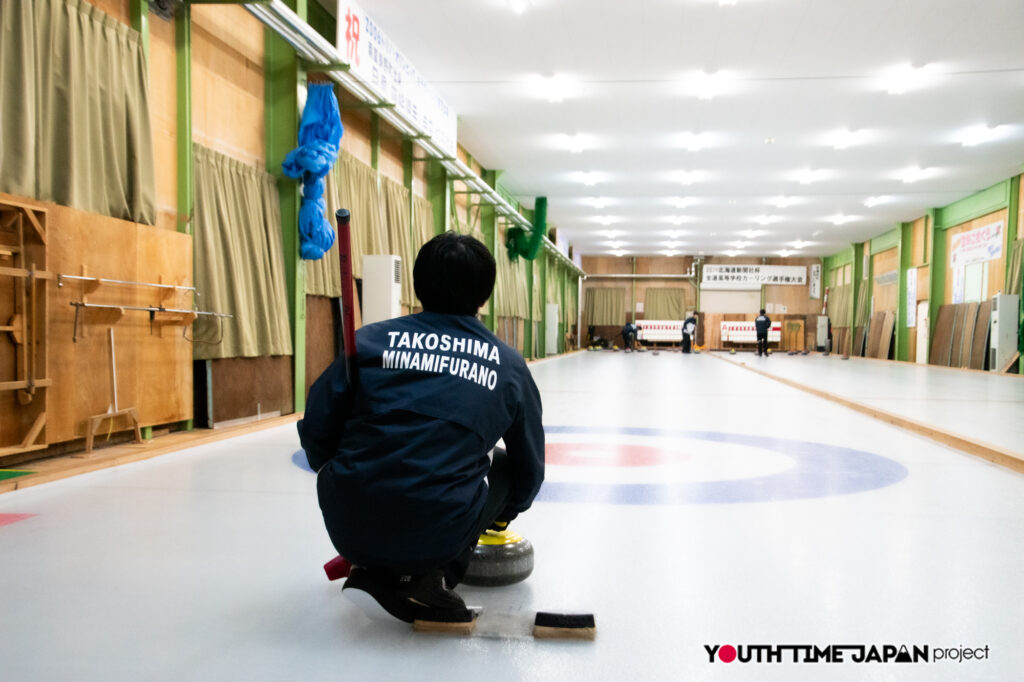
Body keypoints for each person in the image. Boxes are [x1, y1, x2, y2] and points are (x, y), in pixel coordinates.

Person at [298, 233, 545, 623]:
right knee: (505, 466)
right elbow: (530, 471)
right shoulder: (507, 365)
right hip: (437, 536)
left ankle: (372, 565)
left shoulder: (368, 341)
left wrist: (337, 471)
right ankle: (432, 577)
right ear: (485, 295)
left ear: (417, 284)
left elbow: (317, 428)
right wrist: (501, 515)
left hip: (347, 524)